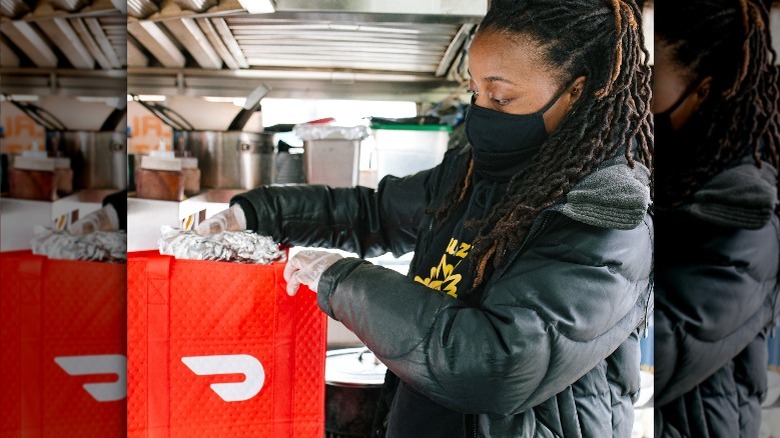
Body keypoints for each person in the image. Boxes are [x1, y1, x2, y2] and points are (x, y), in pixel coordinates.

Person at [198, 0, 653, 436]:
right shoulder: (474, 173)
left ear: (578, 90)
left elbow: (494, 365)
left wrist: (343, 280)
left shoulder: (604, 216)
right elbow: (371, 214)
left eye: (499, 96)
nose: (480, 112)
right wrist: (256, 211)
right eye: (475, 90)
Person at [652, 0, 780, 437]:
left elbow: (660, 349)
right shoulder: (671, 174)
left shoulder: (744, 213)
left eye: (649, 89)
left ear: (703, 90)